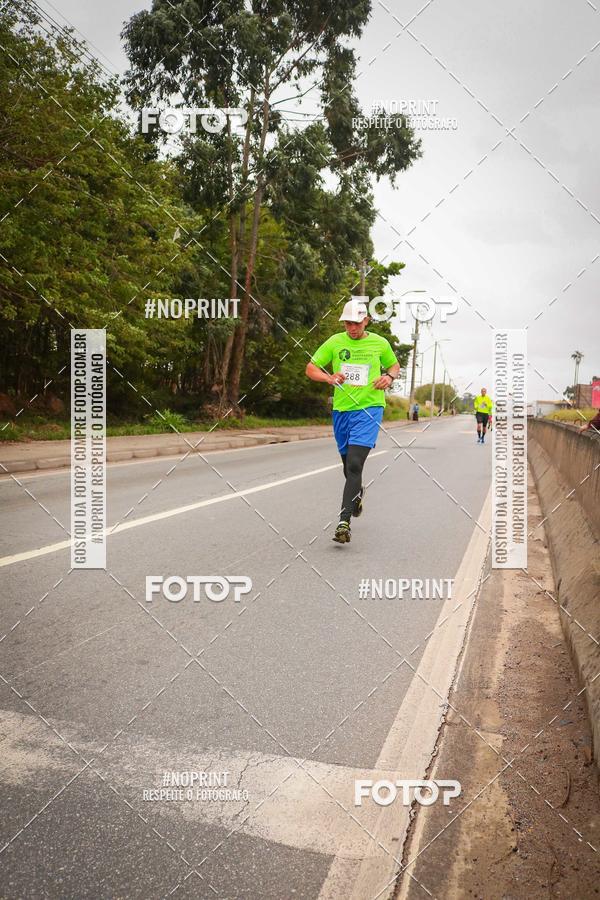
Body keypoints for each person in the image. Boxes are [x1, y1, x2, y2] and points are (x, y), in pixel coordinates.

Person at [305, 298, 400, 544]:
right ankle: (357, 494)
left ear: (366, 320)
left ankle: (343, 522)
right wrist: (328, 378)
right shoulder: (335, 342)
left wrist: (389, 377)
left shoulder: (380, 343)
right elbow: (311, 368)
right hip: (342, 411)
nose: (352, 328)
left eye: (356, 323)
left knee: (356, 465)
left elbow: (394, 365)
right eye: (348, 323)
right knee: (348, 467)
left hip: (369, 409)